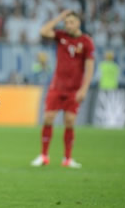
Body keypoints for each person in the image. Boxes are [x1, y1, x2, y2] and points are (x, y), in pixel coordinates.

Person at [31, 10, 95, 168]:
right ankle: (44, 156)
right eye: (66, 23)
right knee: (48, 118)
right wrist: (59, 17)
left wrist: (84, 89)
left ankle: (67, 159)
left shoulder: (86, 42)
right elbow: (43, 31)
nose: (68, 25)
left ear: (78, 23)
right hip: (57, 86)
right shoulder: (61, 36)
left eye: (71, 22)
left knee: (70, 121)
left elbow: (90, 67)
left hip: (74, 89)